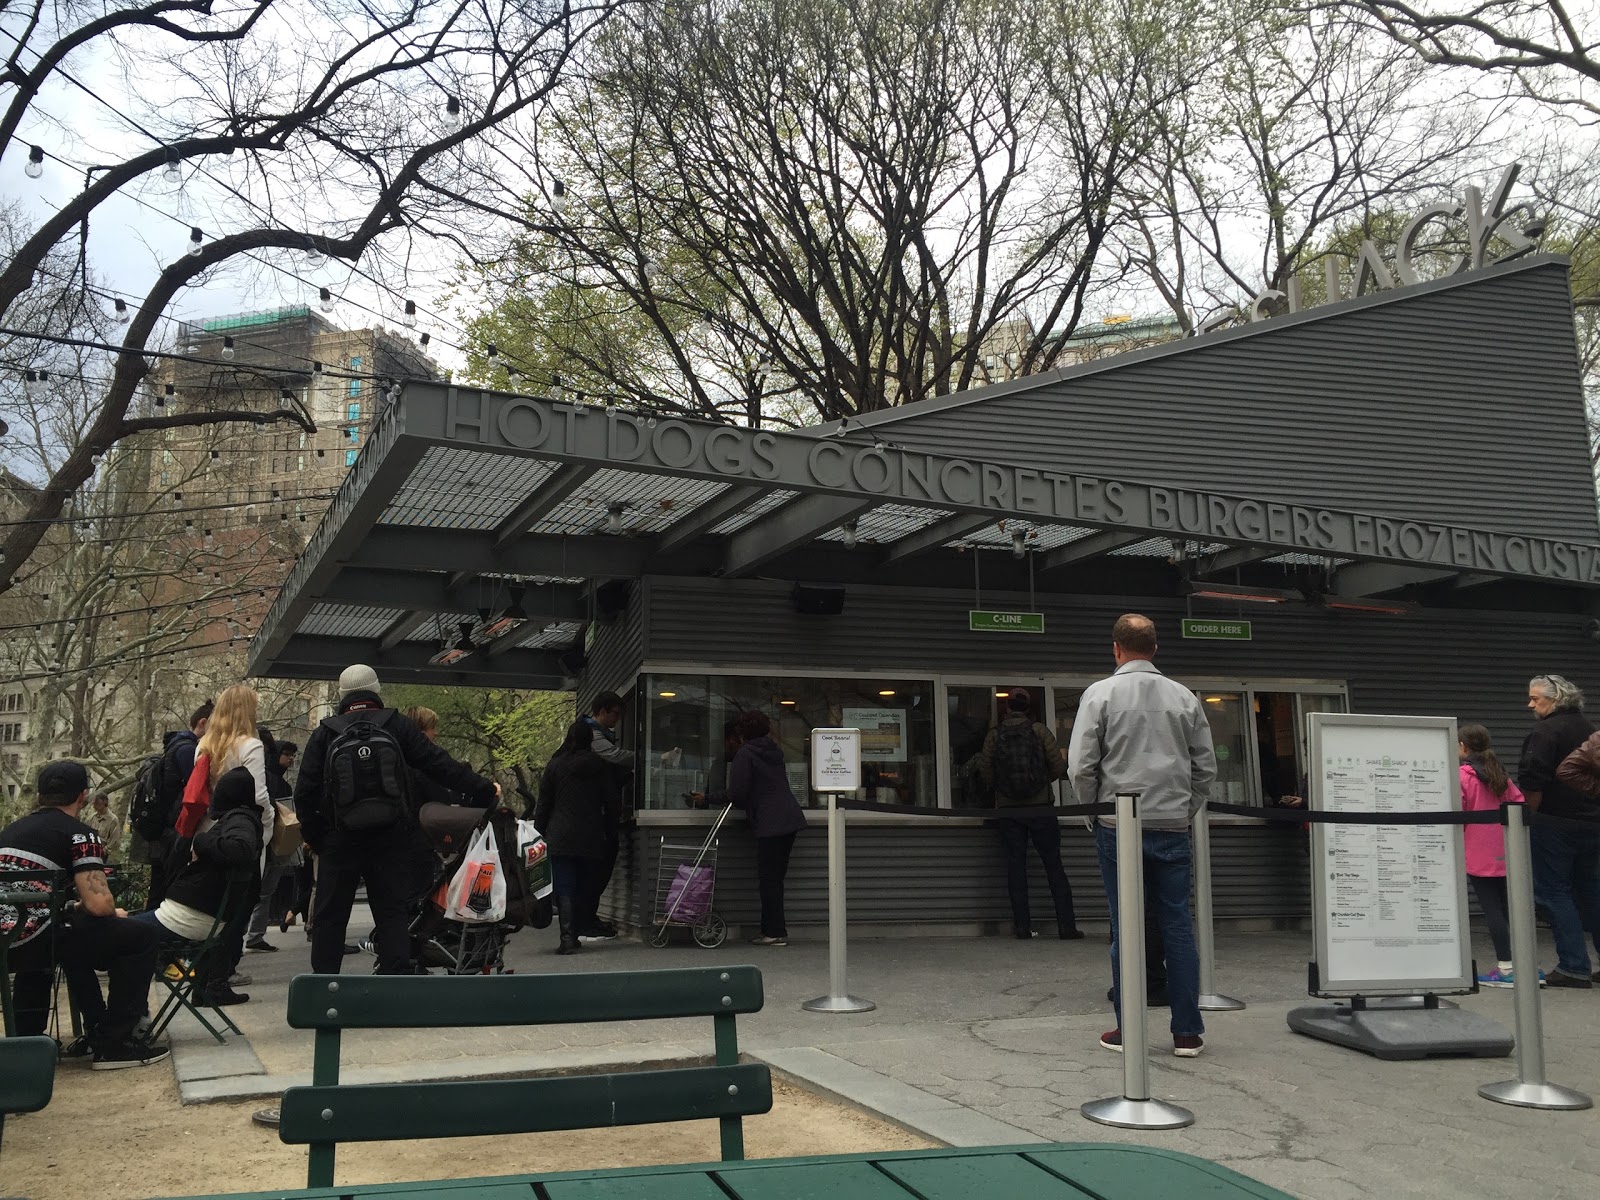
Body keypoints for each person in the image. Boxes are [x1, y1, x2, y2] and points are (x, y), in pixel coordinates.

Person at [1069, 614, 1215, 1059]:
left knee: (1125, 925)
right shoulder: (1184, 697)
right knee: (1177, 925)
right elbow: (1205, 767)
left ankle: (1128, 1029)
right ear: (1155, 648)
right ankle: (1187, 1032)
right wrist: (1183, 809)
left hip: (1119, 825)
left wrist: (1095, 810)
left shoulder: (1100, 693)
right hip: (1172, 824)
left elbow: (1080, 765)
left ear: (1116, 648)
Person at [294, 664, 498, 974]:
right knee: (392, 914)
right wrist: (483, 791)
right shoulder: (396, 725)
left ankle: (325, 990)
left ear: (342, 695)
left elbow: (305, 792)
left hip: (339, 839)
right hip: (389, 837)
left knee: (330, 917)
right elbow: (439, 765)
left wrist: (320, 838)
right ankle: (394, 985)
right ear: (376, 691)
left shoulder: (326, 732)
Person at [0, 761, 168, 1069]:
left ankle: (29, 1038)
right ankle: (114, 1042)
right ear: (84, 796)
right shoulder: (80, 835)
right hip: (40, 938)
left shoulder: (10, 831)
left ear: (39, 795)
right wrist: (110, 909)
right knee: (140, 935)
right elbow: (99, 905)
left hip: (9, 941)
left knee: (70, 936)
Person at [185, 686, 275, 1004]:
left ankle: (201, 979)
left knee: (213, 910)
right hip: (242, 835)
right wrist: (266, 832)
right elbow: (259, 795)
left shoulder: (204, 745)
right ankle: (219, 982)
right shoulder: (251, 745)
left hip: (209, 833)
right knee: (237, 909)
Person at [977, 688, 1082, 941]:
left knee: (1016, 865)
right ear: (1028, 708)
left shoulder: (994, 735)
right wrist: (1039, 783)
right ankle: (1066, 927)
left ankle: (1022, 927)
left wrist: (1003, 789)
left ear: (1007, 708)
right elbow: (1058, 765)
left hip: (1009, 811)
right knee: (1053, 865)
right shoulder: (1040, 731)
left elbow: (985, 769)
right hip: (1040, 808)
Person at [1516, 673, 1600, 988]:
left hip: (1554, 821)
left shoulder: (1545, 731)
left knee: (1554, 891)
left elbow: (1532, 778)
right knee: (1591, 890)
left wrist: (1528, 817)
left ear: (1556, 699)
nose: (1530, 704)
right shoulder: (1590, 729)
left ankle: (1573, 967)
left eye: (1536, 698)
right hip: (1592, 821)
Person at [133, 766, 264, 954]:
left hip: (185, 920)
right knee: (115, 933)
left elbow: (241, 849)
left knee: (110, 933)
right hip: (186, 915)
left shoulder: (240, 819)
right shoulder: (238, 819)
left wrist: (200, 841)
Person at [1457, 724, 1536, 988]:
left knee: (1492, 911)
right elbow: (1518, 802)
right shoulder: (1499, 773)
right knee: (1513, 909)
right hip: (1507, 848)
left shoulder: (1464, 776)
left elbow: (1459, 810)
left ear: (1462, 747)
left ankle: (1506, 968)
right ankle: (1526, 965)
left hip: (1478, 853)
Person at [726, 709, 806, 947]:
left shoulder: (745, 754)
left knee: (769, 880)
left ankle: (774, 932)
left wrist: (709, 797)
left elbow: (738, 794)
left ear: (742, 733)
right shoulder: (775, 752)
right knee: (775, 879)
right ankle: (772, 929)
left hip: (770, 822)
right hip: (788, 818)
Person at [535, 720, 616, 954]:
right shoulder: (600, 766)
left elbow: (544, 804)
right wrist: (610, 832)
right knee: (585, 885)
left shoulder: (555, 766)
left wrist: (539, 834)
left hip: (560, 835)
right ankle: (581, 926)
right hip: (591, 834)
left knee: (565, 886)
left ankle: (567, 938)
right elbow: (611, 802)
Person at [145, 701, 212, 908]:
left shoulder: (175, 746)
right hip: (175, 828)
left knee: (161, 886)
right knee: (167, 887)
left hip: (166, 827)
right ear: (203, 723)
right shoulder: (186, 751)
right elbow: (196, 790)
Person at [580, 692, 633, 939]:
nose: (617, 720)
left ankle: (586, 919)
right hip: (597, 815)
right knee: (597, 869)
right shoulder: (593, 736)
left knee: (597, 870)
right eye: (615, 714)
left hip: (597, 813)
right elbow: (613, 756)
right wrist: (642, 759)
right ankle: (586, 921)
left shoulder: (596, 735)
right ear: (602, 711)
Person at [245, 727, 297, 953]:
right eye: (287, 754)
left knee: (260, 890)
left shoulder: (262, 777)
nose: (291, 759)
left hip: (262, 840)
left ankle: (254, 934)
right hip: (272, 842)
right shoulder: (273, 781)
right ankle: (254, 934)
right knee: (263, 890)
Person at [83, 793, 123, 862]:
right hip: (89, 852)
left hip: (103, 855)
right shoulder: (91, 818)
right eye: (94, 803)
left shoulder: (113, 820)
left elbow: (114, 841)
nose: (94, 806)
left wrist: (103, 851)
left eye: (97, 803)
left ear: (104, 803)